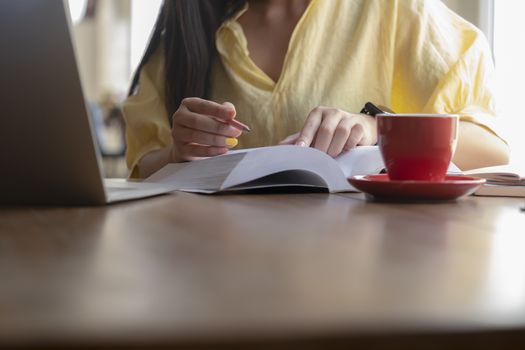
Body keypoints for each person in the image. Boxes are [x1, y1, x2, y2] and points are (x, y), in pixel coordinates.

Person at [123, 0, 510, 179]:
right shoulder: (185, 37)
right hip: (222, 268)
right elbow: (141, 167)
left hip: (374, 266)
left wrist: (376, 128)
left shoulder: (398, 11)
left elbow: (490, 147)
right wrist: (178, 152)